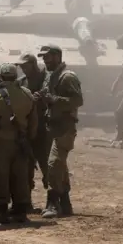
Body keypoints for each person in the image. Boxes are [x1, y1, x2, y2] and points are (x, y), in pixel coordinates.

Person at [0, 63, 37, 224]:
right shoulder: (27, 94)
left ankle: (1, 212)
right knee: (20, 176)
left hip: (1, 142)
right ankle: (20, 211)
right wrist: (28, 139)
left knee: (1, 176)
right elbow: (34, 122)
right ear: (15, 77)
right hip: (21, 142)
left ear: (1, 76)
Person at [36, 44, 83, 219]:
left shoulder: (67, 77)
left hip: (65, 127)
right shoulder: (51, 76)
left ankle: (52, 203)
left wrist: (55, 99)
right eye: (43, 57)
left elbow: (77, 100)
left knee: (54, 164)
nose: (44, 60)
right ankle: (65, 203)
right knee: (59, 166)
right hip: (53, 126)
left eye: (47, 57)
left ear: (57, 56)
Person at [16, 53, 49, 212]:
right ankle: (26, 202)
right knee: (26, 168)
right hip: (28, 131)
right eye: (21, 66)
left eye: (25, 65)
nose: (23, 68)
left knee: (48, 166)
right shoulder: (21, 82)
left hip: (44, 131)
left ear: (34, 64)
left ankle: (55, 201)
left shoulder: (47, 79)